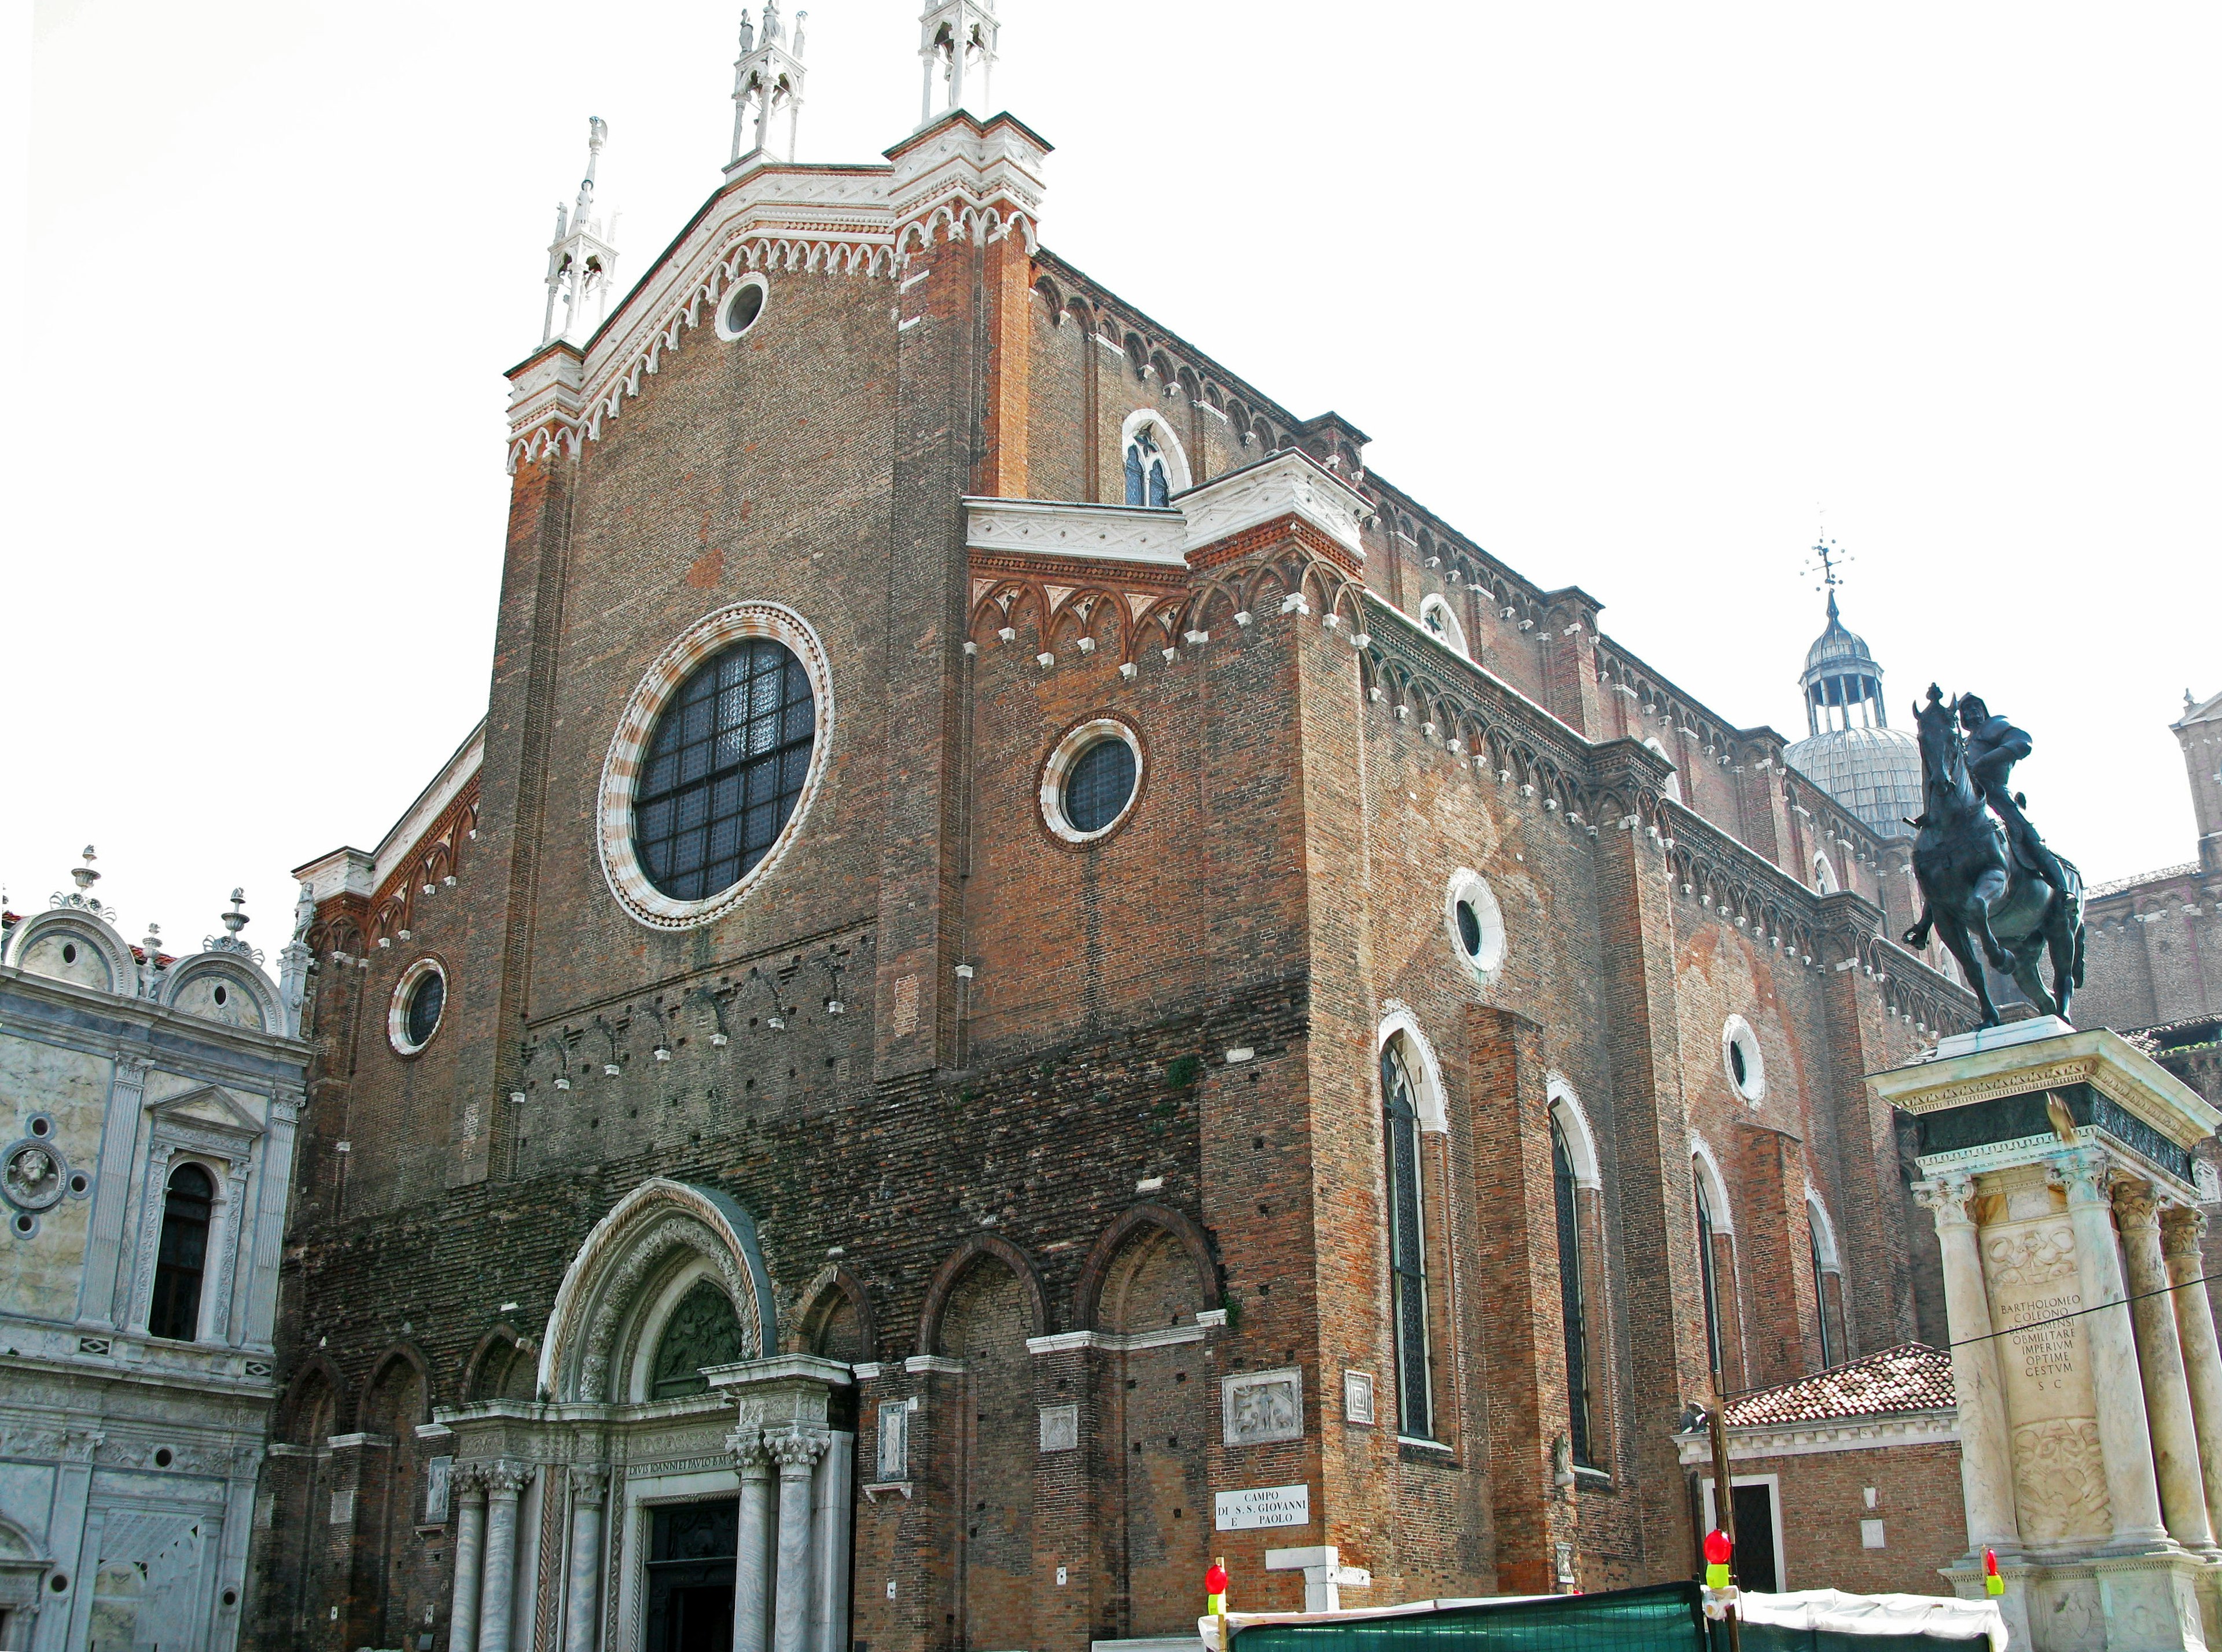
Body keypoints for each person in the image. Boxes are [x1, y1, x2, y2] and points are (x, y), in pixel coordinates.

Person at [1956, 693, 2072, 902]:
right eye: (1966, 709)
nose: (1972, 712)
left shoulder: (1996, 726)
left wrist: (1982, 763)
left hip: (1996, 796)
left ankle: (2065, 894)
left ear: (1984, 710)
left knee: (2032, 839)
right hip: (1969, 800)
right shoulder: (1963, 743)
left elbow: (2022, 743)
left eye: (1976, 707)